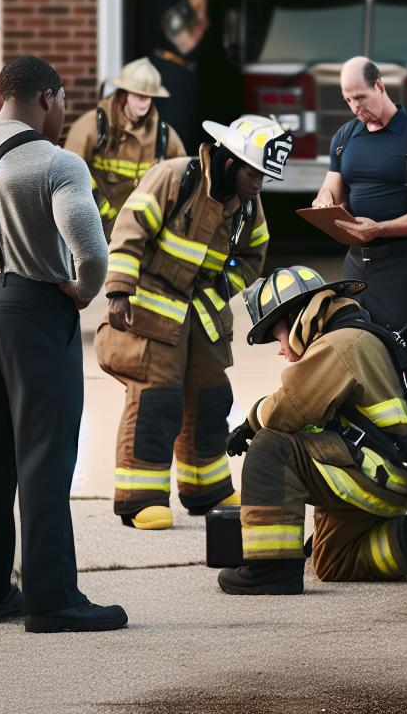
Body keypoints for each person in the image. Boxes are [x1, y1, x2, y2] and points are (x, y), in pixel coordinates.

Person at [0, 55, 126, 633]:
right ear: (48, 98)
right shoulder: (58, 163)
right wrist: (80, 292)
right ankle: (52, 599)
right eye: (62, 104)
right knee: (45, 457)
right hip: (36, 312)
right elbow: (92, 253)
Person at [217, 265, 407, 595]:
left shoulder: (339, 344)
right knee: (333, 561)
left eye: (278, 336)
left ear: (297, 318)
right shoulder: (358, 335)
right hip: (385, 477)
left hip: (372, 473)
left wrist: (251, 422)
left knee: (270, 447)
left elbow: (288, 409)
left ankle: (270, 569)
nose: (280, 349)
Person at [95, 115, 284, 530]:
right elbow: (129, 230)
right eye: (254, 174)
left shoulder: (248, 203)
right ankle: (140, 497)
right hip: (152, 305)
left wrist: (220, 288)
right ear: (231, 162)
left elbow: (254, 253)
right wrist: (119, 291)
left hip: (201, 311)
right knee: (157, 399)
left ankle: (206, 490)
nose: (259, 184)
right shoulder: (174, 177)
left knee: (212, 396)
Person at [310, 56, 407, 332]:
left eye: (360, 97)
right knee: (351, 346)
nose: (355, 107)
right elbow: (331, 188)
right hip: (355, 264)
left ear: (379, 85)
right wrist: (324, 199)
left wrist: (380, 229)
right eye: (348, 100)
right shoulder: (344, 137)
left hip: (402, 267)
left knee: (402, 349)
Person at [63, 57, 183, 238]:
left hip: (139, 236)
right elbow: (68, 173)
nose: (145, 102)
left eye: (149, 97)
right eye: (139, 95)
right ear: (124, 94)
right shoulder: (91, 127)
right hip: (94, 232)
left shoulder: (164, 137)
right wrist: (105, 212)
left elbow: (182, 186)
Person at [137, 0, 213, 147]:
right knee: (174, 141)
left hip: (186, 75)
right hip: (167, 76)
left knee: (190, 139)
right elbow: (180, 39)